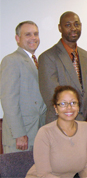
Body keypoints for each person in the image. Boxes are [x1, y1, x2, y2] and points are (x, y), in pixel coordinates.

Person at [38, 11, 87, 125]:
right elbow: (52, 97)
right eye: (68, 25)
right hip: (59, 125)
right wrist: (80, 122)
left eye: (76, 24)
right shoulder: (48, 58)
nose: (73, 28)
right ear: (60, 28)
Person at [26, 85, 87, 177]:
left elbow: (85, 167)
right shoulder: (45, 132)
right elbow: (44, 174)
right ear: (56, 108)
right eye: (63, 104)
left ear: (78, 107)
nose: (69, 107)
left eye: (73, 103)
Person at [0, 21, 46, 153]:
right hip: (21, 137)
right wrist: (19, 133)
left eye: (36, 34)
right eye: (28, 34)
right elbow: (9, 100)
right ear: (17, 38)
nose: (33, 38)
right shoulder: (11, 60)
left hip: (37, 133)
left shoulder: (38, 62)